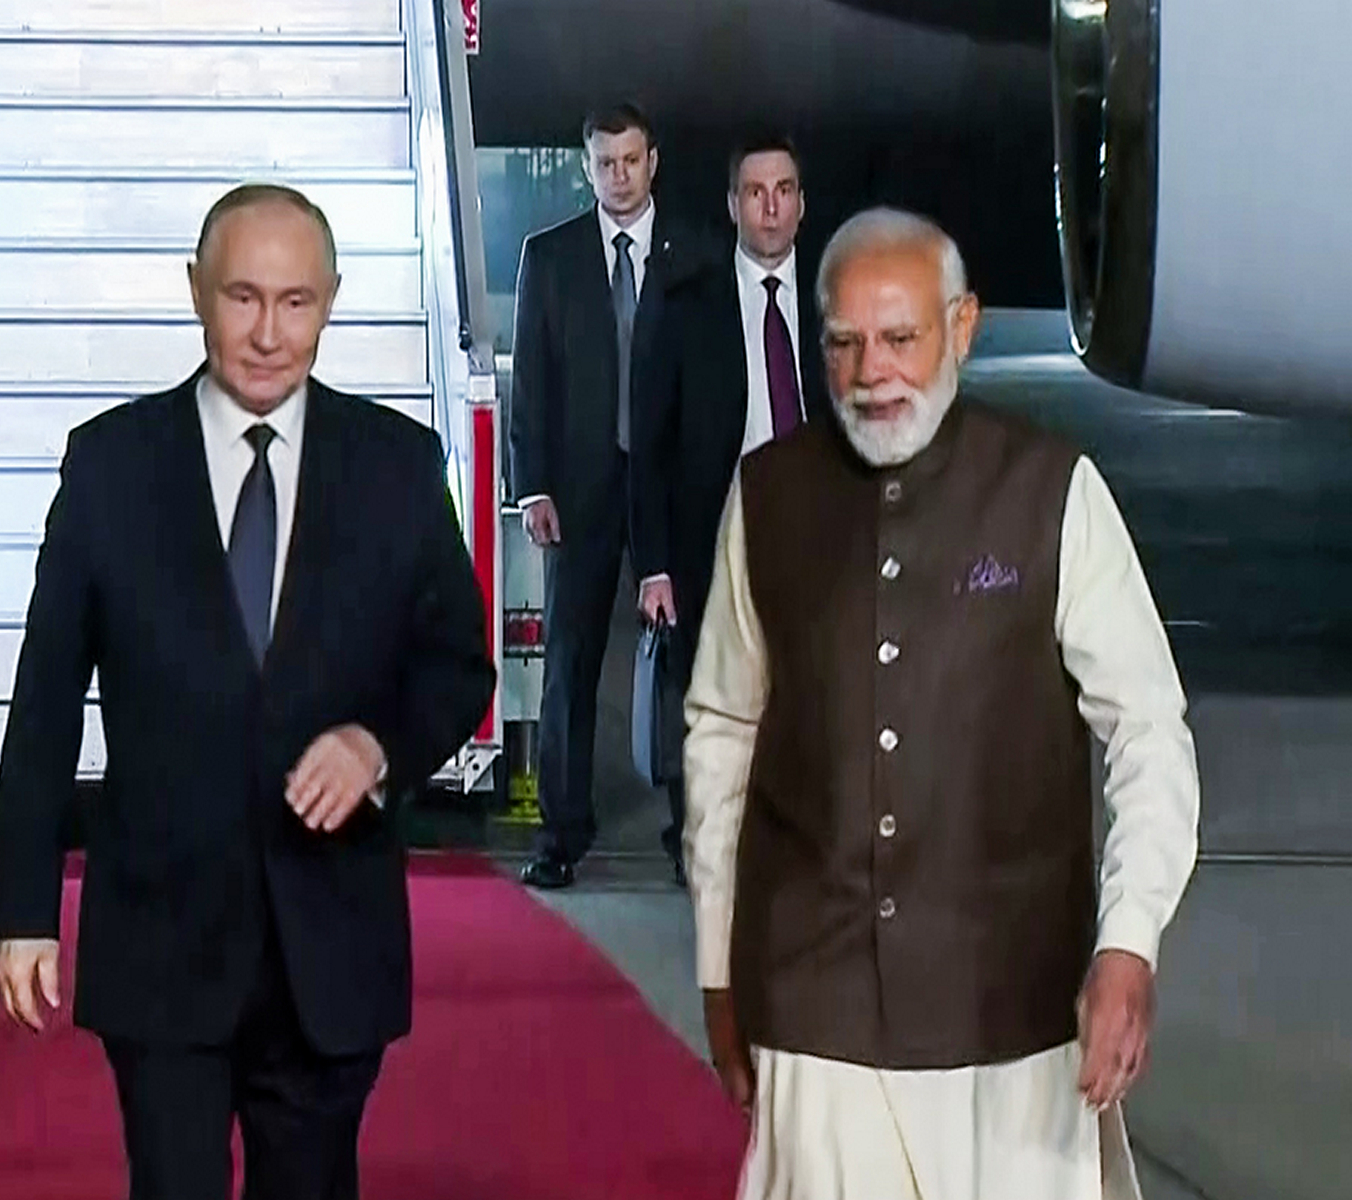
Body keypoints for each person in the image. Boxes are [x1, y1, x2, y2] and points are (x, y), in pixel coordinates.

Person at [0, 184, 495, 1200]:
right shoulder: (111, 467)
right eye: (243, 298)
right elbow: (43, 701)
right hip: (161, 938)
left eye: (297, 302)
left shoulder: (397, 466)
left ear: (333, 301)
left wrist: (377, 748)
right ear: (196, 293)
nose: (268, 333)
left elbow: (456, 667)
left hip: (331, 944)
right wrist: (22, 908)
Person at [683, 207, 1200, 1200]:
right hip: (815, 1004)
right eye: (843, 345)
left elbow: (1147, 732)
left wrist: (1127, 942)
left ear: (961, 327)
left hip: (1012, 1011)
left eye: (900, 338)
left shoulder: (1053, 490)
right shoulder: (767, 496)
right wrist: (717, 968)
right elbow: (723, 733)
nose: (872, 371)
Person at [509, 103, 707, 889]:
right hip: (582, 493)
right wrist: (533, 486)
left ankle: (690, 833)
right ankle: (561, 834)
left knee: (685, 663)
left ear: (652, 161)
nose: (618, 175)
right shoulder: (549, 257)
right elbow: (531, 381)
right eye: (604, 162)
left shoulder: (693, 256)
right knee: (570, 663)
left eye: (631, 160)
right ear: (585, 165)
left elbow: (710, 380)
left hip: (668, 488)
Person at [629, 131, 817, 842]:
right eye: (756, 193)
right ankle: (703, 837)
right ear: (733, 205)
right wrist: (653, 566)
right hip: (713, 534)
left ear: (802, 204)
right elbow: (648, 444)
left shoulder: (835, 302)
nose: (771, 209)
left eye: (784, 192)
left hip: (814, 534)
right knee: (711, 701)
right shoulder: (687, 305)